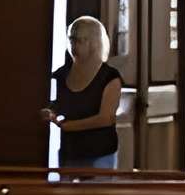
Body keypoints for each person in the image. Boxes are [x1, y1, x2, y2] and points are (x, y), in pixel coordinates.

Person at [43, 15, 126, 171]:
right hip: (69, 153)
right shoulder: (60, 75)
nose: (74, 46)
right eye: (72, 40)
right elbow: (54, 104)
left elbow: (105, 119)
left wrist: (70, 126)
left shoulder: (109, 77)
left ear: (94, 43)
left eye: (80, 41)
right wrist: (50, 113)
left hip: (100, 155)